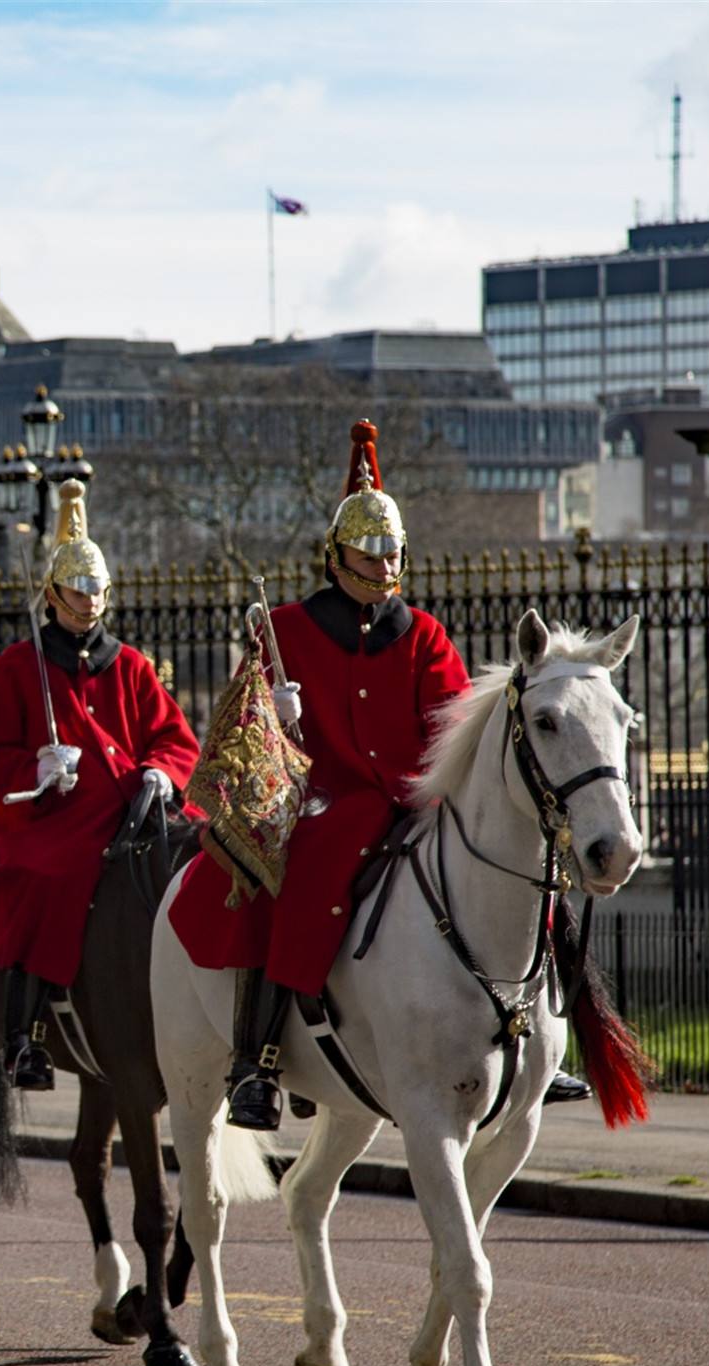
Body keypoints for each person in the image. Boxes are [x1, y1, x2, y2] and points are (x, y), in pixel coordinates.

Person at [166, 421, 592, 1129]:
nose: (379, 563)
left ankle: (542, 1041)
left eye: (389, 551)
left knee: (534, 880)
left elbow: (457, 726)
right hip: (322, 800)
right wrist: (272, 711)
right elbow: (240, 730)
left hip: (416, 795)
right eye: (367, 552)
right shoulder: (288, 628)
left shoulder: (421, 633)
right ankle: (260, 1058)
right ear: (338, 557)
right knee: (303, 875)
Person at [0, 480, 202, 1091]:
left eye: (98, 590)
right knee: (48, 875)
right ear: (54, 594)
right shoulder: (19, 666)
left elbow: (175, 739)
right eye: (78, 590)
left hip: (130, 809)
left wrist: (160, 771)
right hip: (50, 818)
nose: (90, 602)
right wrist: (35, 771)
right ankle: (22, 1035)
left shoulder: (131, 665)